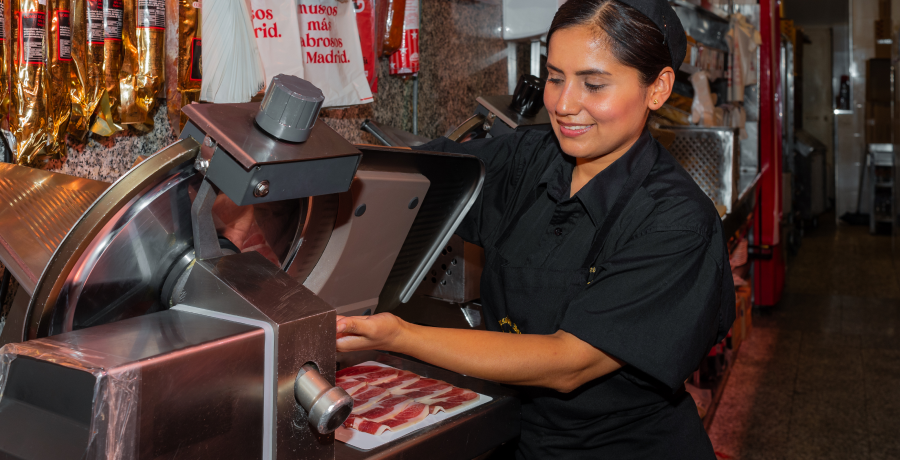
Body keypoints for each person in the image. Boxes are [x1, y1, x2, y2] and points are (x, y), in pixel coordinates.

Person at [335, 0, 735, 457]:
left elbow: (568, 362)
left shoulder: (677, 221)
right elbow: (418, 176)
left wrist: (400, 336)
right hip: (520, 439)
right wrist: (296, 185)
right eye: (556, 76)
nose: (563, 105)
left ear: (658, 88)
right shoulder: (529, 158)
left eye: (594, 84)